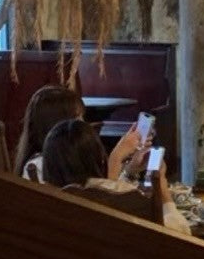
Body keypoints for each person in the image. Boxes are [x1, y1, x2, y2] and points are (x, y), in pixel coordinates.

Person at [41, 118, 191, 234]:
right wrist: (162, 185)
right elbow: (180, 231)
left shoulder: (44, 199)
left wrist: (129, 171)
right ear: (98, 156)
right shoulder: (130, 199)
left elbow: (107, 192)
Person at [14, 85, 142, 183]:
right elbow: (98, 202)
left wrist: (131, 170)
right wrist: (116, 158)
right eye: (77, 118)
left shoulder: (69, 158)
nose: (83, 124)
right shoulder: (40, 165)